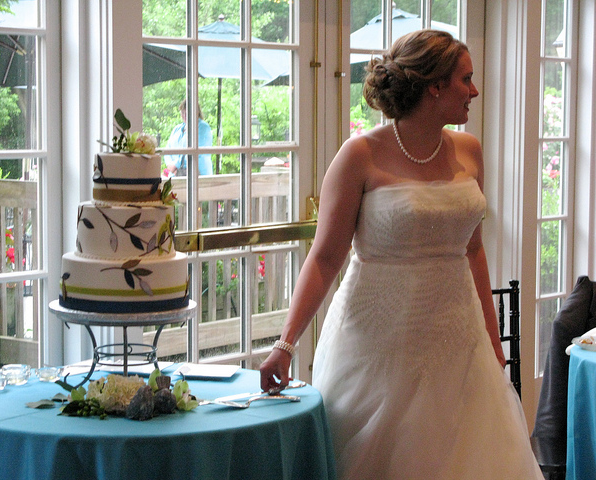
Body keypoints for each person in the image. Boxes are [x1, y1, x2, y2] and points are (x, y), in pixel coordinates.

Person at [260, 30, 543, 479]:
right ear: (435, 86)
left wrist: (492, 339)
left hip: (457, 337)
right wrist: (286, 343)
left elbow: (473, 249)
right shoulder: (360, 155)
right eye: (466, 79)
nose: (474, 91)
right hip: (378, 341)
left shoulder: (469, 150)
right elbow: (325, 258)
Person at [165, 100, 214, 176]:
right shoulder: (177, 129)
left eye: (187, 113)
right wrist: (169, 165)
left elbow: (196, 151)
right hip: (175, 175)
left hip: (198, 175)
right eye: (182, 112)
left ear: (196, 112)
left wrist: (175, 165)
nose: (185, 115)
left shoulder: (203, 128)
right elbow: (167, 149)